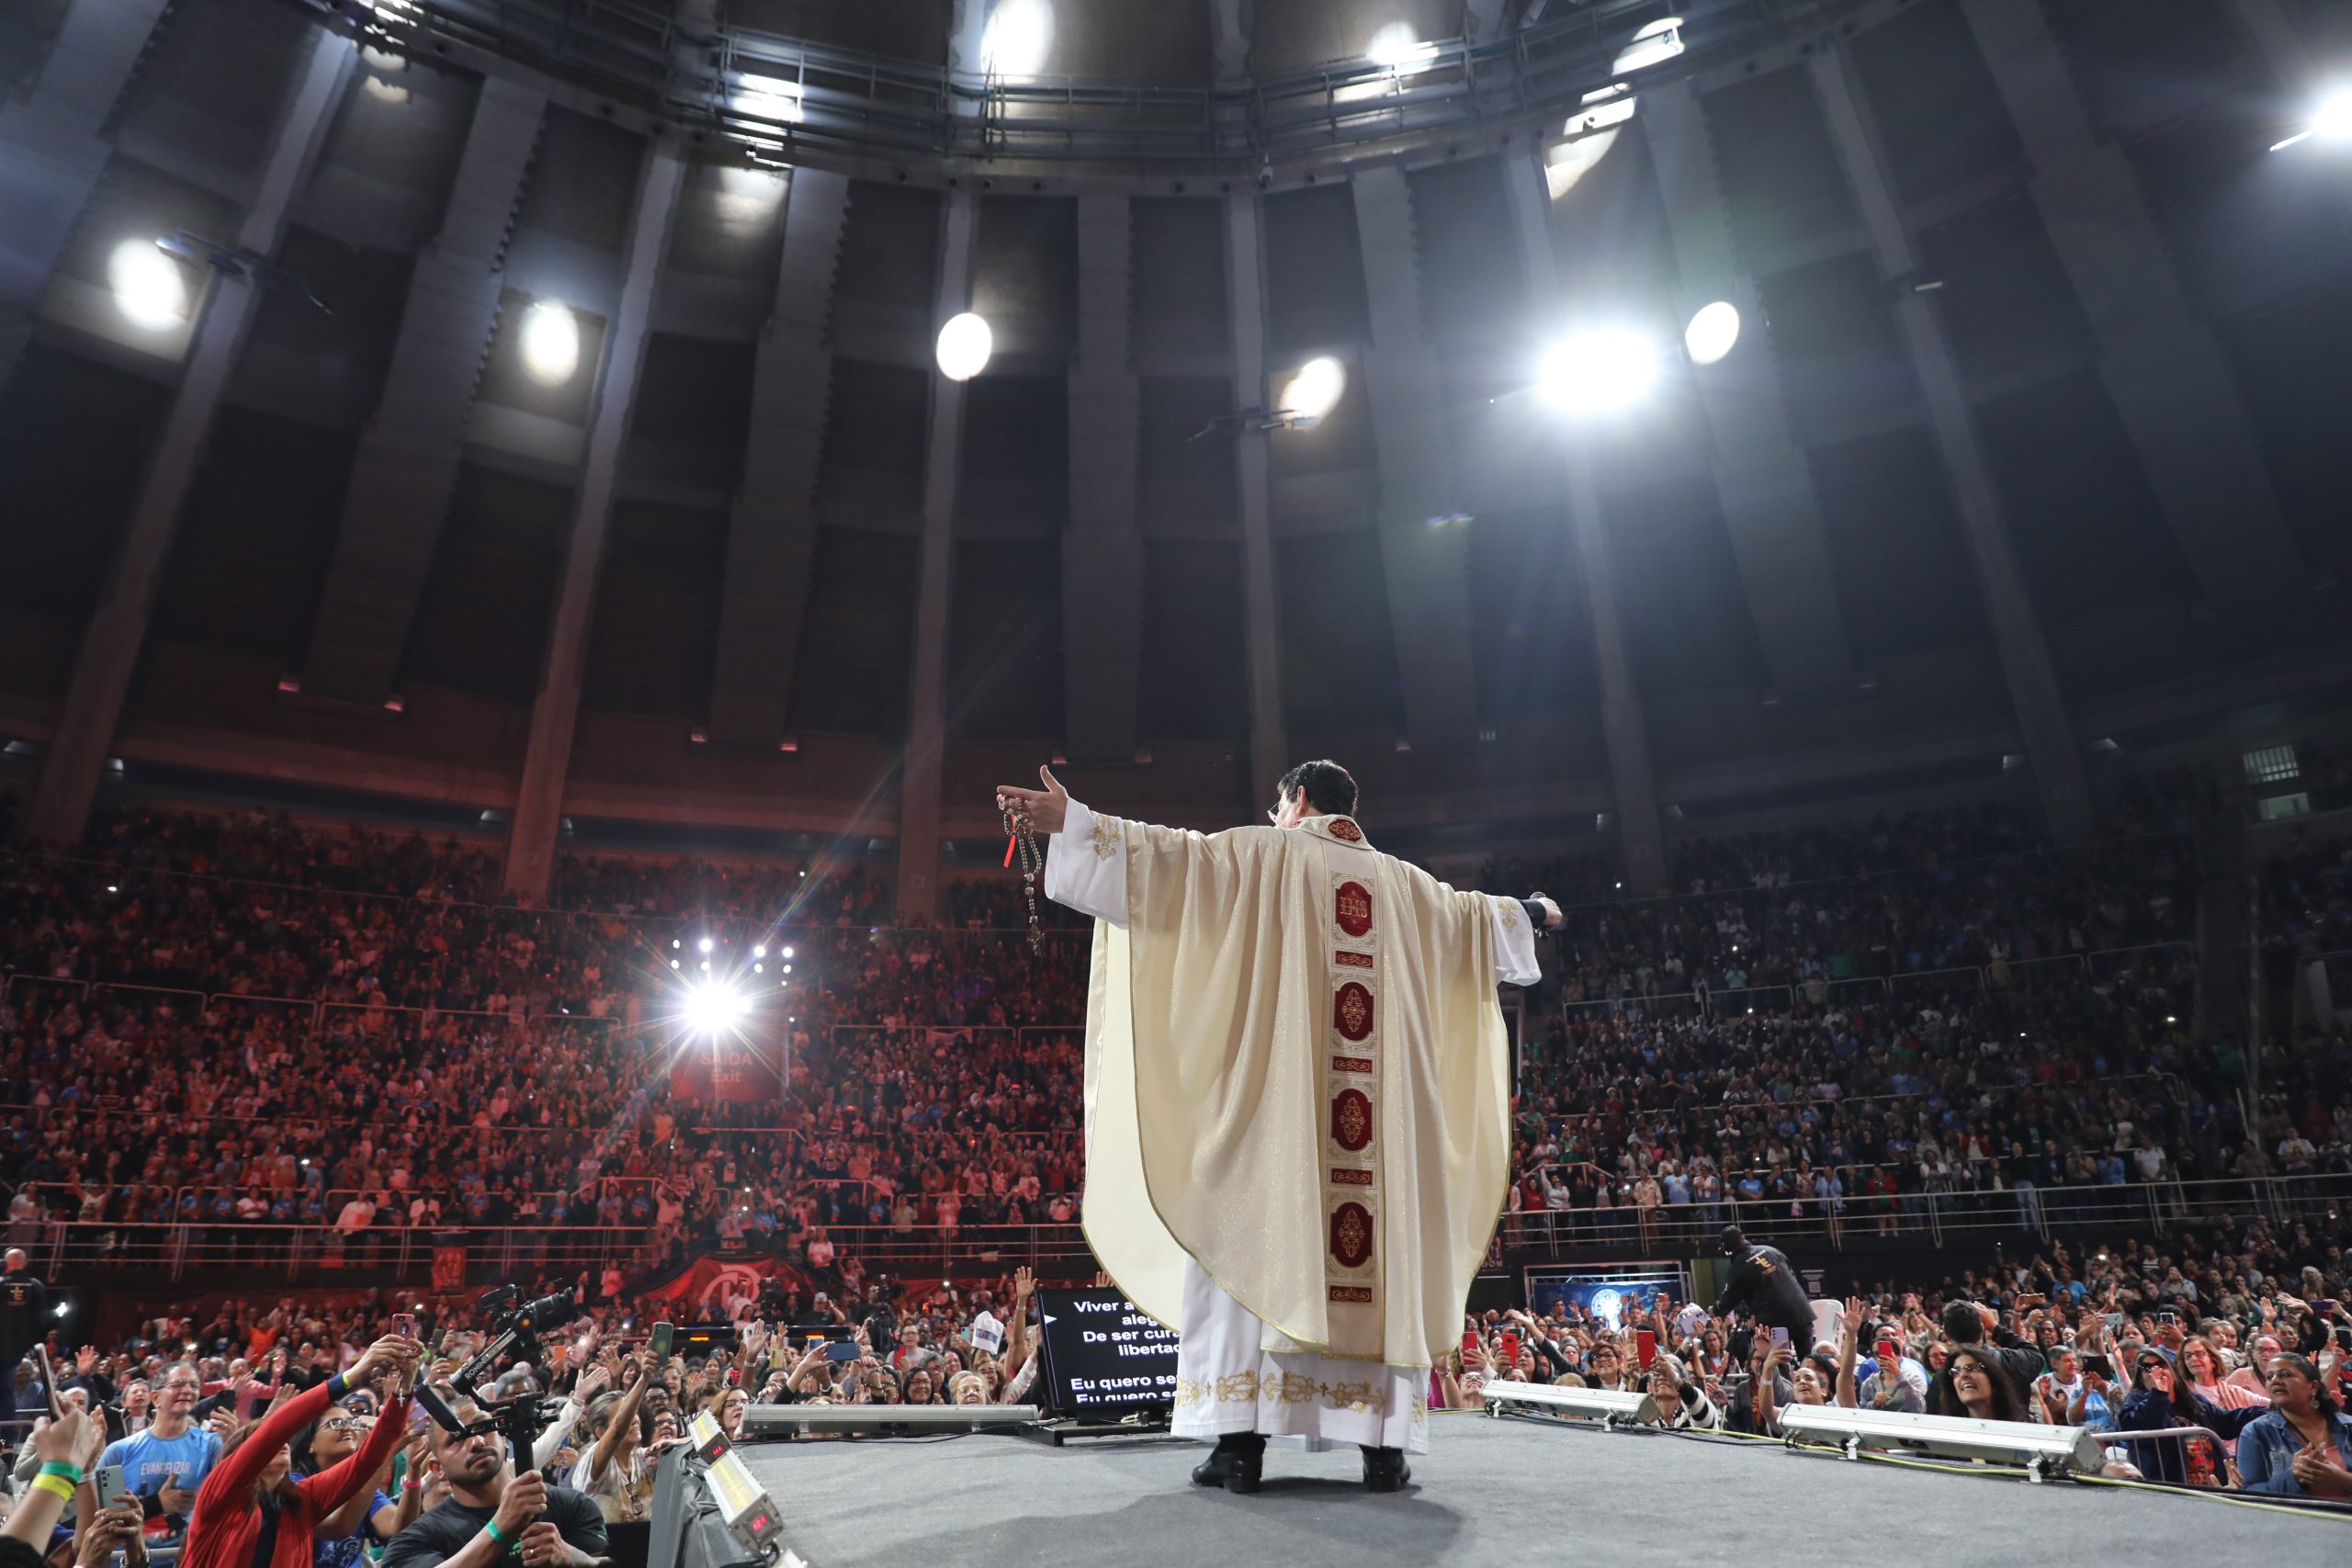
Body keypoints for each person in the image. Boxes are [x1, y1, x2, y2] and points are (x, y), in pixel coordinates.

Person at [998, 760, 1558, 1495]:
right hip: (1377, 1147)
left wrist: (1073, 821)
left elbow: (1170, 860)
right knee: (1378, 1260)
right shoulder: (1411, 888)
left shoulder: (1262, 855)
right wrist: (1534, 909)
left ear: (1296, 800)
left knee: (1240, 1228)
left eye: (1278, 806)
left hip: (1277, 1128)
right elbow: (1480, 918)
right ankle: (1383, 1450)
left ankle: (1239, 1447)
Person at [176, 1335, 419, 1568]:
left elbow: (367, 1460)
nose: (280, 1442)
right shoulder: (219, 1493)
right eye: (263, 1440)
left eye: (283, 1440)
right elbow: (275, 1430)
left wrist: (404, 1389)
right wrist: (351, 1376)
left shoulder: (302, 1498)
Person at [382, 1395, 608, 1568]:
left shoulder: (572, 1504)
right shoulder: (416, 1539)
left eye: (483, 1428)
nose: (477, 1442)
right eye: (457, 1438)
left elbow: (611, 1561)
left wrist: (573, 1557)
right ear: (437, 1468)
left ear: (503, 1436)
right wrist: (498, 1527)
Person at [75, 1360, 218, 1549]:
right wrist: (157, 1504)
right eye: (177, 1384)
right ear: (156, 1397)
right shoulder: (118, 1451)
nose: (187, 1390)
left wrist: (233, 1443)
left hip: (187, 1557)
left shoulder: (212, 1445)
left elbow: (227, 1504)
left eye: (193, 1385)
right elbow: (105, 1518)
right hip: (130, 1557)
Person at [2233, 1353, 2352, 1498]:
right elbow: (2249, 1493)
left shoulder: (2348, 1426)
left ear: (2313, 1386)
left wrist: (2344, 1480)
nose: (2275, 1380)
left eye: (2285, 1374)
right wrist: (2292, 1477)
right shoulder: (2256, 1432)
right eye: (2269, 1377)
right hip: (2292, 1513)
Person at [1710, 1226, 1814, 1357]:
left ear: (1726, 1247)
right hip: (1801, 1313)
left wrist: (1714, 1310)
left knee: (1777, 1362)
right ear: (1743, 1237)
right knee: (1808, 1360)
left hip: (1775, 1321)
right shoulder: (1771, 1250)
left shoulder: (1737, 1267)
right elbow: (1791, 1276)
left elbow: (1728, 1301)